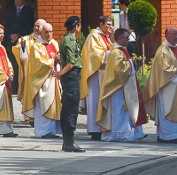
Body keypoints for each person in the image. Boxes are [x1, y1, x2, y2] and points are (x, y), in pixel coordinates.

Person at [144, 26, 177, 143]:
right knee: (169, 108)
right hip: (168, 86)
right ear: (167, 35)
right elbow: (163, 70)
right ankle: (169, 135)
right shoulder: (163, 50)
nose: (176, 37)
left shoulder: (176, 47)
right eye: (174, 34)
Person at [98, 28, 147, 142]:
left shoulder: (121, 50)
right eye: (126, 38)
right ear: (120, 38)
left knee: (126, 111)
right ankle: (121, 134)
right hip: (118, 88)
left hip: (124, 86)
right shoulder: (116, 52)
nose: (128, 40)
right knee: (120, 111)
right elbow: (119, 69)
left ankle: (129, 133)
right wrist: (131, 63)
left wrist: (130, 62)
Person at [18, 22, 63, 138]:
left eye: (51, 32)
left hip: (54, 79)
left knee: (54, 105)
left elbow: (59, 56)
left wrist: (59, 58)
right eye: (46, 32)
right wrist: (53, 60)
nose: (49, 34)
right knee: (44, 105)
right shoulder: (36, 46)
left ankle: (52, 130)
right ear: (41, 33)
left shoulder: (54, 43)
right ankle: (43, 131)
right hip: (43, 81)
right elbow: (38, 63)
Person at [81, 16, 114, 140]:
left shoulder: (105, 37)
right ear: (101, 24)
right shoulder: (93, 36)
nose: (110, 27)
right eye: (108, 25)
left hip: (103, 74)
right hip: (95, 75)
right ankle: (95, 130)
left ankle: (103, 127)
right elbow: (94, 55)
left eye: (111, 24)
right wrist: (111, 54)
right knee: (95, 101)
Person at [57, 16, 85, 152]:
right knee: (71, 109)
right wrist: (59, 74)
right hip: (71, 76)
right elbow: (70, 63)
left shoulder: (68, 39)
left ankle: (68, 141)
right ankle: (69, 142)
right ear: (77, 26)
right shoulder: (70, 40)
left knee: (69, 108)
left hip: (70, 76)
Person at [13, 18, 46, 125]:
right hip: (30, 72)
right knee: (30, 95)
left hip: (43, 72)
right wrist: (22, 47)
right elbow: (21, 56)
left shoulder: (47, 40)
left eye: (39, 26)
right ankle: (31, 117)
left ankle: (43, 115)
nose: (36, 28)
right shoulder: (26, 39)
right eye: (35, 25)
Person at [5, 0, 36, 94]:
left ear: (23, 0)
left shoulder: (29, 11)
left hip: (23, 41)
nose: (17, 1)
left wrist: (18, 35)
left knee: (22, 64)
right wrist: (11, 35)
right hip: (12, 41)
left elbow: (29, 26)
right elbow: (7, 25)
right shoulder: (11, 11)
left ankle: (22, 88)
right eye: (15, 0)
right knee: (13, 64)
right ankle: (14, 88)